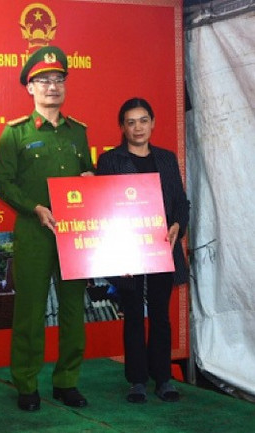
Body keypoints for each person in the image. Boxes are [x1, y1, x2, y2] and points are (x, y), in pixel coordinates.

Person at [0, 45, 94, 411]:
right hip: (34, 231)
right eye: (44, 80)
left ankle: (67, 381)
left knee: (72, 310)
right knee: (30, 311)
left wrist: (90, 179)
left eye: (58, 79)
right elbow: (3, 183)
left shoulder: (77, 132)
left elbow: (87, 175)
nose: (52, 86)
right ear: (30, 87)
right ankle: (26, 383)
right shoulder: (15, 133)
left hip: (73, 233)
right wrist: (34, 208)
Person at [96, 97, 189, 403]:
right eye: (131, 122)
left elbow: (181, 202)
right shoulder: (110, 161)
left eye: (143, 120)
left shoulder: (166, 159)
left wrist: (177, 225)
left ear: (153, 123)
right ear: (122, 127)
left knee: (160, 315)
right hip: (127, 251)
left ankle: (163, 378)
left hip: (162, 248)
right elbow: (102, 207)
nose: (138, 128)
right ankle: (137, 380)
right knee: (133, 314)